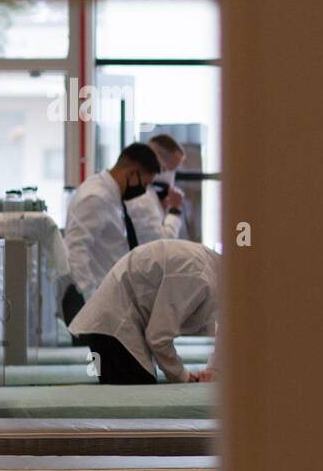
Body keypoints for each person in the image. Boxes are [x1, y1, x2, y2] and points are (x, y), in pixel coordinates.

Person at [69, 239, 220, 385]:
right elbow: (158, 337)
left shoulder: (215, 270)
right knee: (137, 401)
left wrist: (213, 370)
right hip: (115, 328)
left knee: (136, 391)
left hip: (110, 325)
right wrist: (183, 376)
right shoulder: (200, 276)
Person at [61, 143, 162, 332]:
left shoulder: (111, 195)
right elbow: (75, 249)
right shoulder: (96, 197)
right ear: (132, 173)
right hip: (96, 304)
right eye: (145, 183)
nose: (144, 190)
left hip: (109, 301)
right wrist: (92, 303)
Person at [126, 133, 188, 243]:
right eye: (169, 168)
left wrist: (162, 210)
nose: (171, 175)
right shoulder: (141, 197)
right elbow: (162, 243)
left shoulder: (149, 193)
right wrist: (175, 210)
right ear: (156, 158)